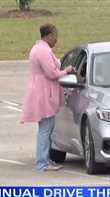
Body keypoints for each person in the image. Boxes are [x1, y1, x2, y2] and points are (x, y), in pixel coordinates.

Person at [20, 24, 74, 171]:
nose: (56, 40)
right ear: (49, 35)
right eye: (55, 36)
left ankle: (45, 160)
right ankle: (42, 163)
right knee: (46, 128)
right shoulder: (43, 51)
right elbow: (52, 73)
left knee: (46, 127)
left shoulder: (39, 48)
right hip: (44, 92)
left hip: (41, 90)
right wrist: (67, 71)